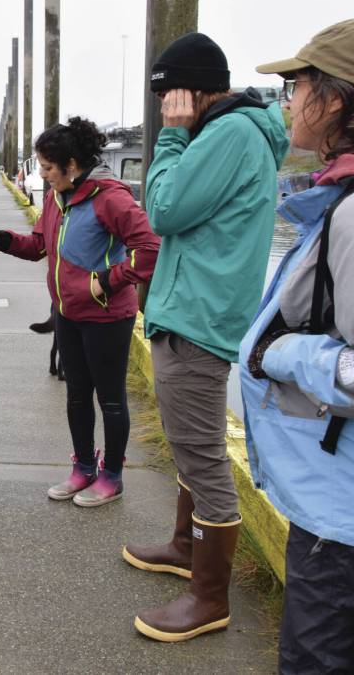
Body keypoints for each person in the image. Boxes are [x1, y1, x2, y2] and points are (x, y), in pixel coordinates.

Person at [123, 32, 289, 642]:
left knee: (201, 453)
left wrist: (170, 137)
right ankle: (184, 547)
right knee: (194, 441)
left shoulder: (227, 134)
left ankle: (209, 597)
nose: (164, 108)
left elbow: (161, 209)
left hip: (198, 315)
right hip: (197, 307)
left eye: (167, 97)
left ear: (188, 92)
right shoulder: (230, 132)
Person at [240, 18, 354, 672]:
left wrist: (280, 353)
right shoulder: (353, 200)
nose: (286, 100)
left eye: (295, 85)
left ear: (337, 99)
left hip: (348, 518)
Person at [0, 117, 159, 507]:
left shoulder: (110, 198)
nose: (44, 176)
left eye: (48, 168)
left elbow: (149, 248)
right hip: (67, 312)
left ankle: (112, 476)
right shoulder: (56, 197)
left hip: (107, 317)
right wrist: (2, 239)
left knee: (110, 399)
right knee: (77, 395)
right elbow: (38, 246)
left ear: (72, 165)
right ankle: (83, 468)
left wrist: (108, 281)